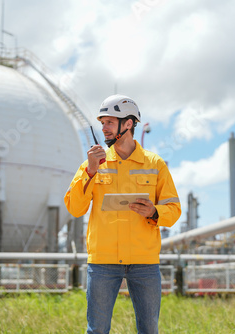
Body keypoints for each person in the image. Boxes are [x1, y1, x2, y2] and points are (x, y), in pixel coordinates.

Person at [64, 94, 181, 334]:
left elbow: (174, 209)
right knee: (97, 330)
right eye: (102, 122)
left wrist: (154, 211)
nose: (103, 128)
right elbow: (75, 208)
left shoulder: (155, 164)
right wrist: (90, 171)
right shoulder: (94, 163)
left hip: (144, 261)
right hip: (103, 261)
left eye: (109, 122)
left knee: (149, 330)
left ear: (128, 123)